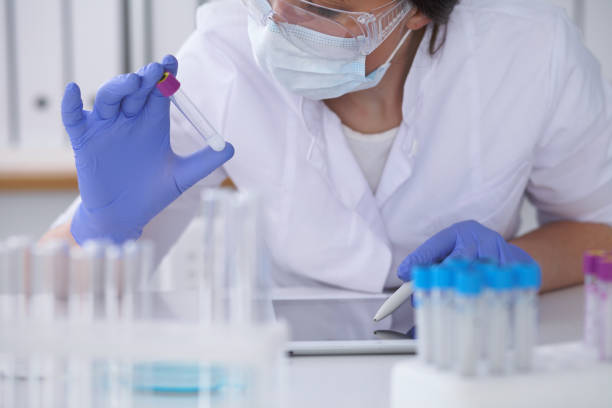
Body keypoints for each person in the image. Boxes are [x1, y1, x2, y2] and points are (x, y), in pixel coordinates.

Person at [43, 0, 612, 293]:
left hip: (474, 359)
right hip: (292, 371)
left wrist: (521, 267)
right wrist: (101, 223)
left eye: (323, 11)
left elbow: (602, 232)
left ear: (415, 12)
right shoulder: (220, 57)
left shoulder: (533, 50)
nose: (283, 24)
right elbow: (54, 283)